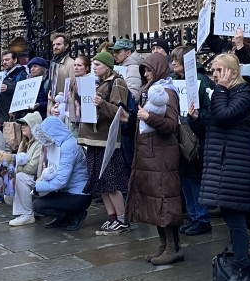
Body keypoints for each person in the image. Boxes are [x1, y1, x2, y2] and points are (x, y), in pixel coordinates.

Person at [200, 53, 250, 281]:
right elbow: (212, 124)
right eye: (213, 70)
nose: (214, 75)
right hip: (224, 165)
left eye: (219, 70)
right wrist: (196, 119)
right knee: (232, 220)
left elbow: (224, 117)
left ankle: (242, 274)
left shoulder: (243, 94)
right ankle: (242, 272)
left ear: (233, 73)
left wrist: (221, 91)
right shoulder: (226, 93)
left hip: (235, 167)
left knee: (237, 222)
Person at [127, 52, 183, 263]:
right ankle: (164, 246)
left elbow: (170, 124)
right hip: (150, 154)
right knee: (155, 202)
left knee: (165, 200)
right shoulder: (148, 90)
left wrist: (148, 117)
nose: (146, 74)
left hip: (162, 154)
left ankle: (174, 247)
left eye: (149, 70)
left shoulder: (167, 91)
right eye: (144, 70)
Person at [83, 52, 132, 235]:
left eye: (97, 64)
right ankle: (111, 218)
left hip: (107, 139)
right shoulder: (100, 83)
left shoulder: (117, 82)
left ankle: (122, 219)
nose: (94, 67)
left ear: (107, 66)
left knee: (111, 181)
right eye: (93, 64)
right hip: (95, 138)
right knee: (100, 181)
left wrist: (101, 103)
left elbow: (120, 112)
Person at [170, 45, 212, 236]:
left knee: (194, 178)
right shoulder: (175, 81)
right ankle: (193, 215)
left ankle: (202, 218)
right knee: (184, 177)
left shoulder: (201, 80)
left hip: (195, 135)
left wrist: (195, 116)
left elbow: (209, 108)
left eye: (176, 59)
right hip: (180, 133)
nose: (173, 63)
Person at [32, 115, 91, 230]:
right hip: (72, 192)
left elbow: (61, 181)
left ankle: (74, 215)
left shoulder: (67, 147)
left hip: (78, 195)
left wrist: (38, 186)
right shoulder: (62, 144)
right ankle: (65, 216)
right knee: (40, 203)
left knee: (38, 206)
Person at [9, 112, 44, 226]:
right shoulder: (24, 142)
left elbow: (32, 168)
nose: (23, 126)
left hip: (40, 179)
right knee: (8, 188)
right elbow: (17, 161)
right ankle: (33, 207)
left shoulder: (40, 142)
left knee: (20, 177)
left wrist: (17, 167)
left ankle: (26, 214)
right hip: (31, 178)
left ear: (34, 125)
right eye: (22, 124)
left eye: (26, 124)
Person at [0, 51, 28, 123]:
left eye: (7, 60)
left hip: (13, 115)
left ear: (15, 60)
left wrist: (8, 88)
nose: (4, 62)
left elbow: (23, 91)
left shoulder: (22, 74)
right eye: (3, 60)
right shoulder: (3, 75)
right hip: (2, 114)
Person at [49, 32, 75, 104]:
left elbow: (72, 87)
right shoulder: (53, 62)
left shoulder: (71, 63)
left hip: (63, 105)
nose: (55, 47)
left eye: (58, 44)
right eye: (53, 45)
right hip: (52, 104)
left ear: (66, 45)